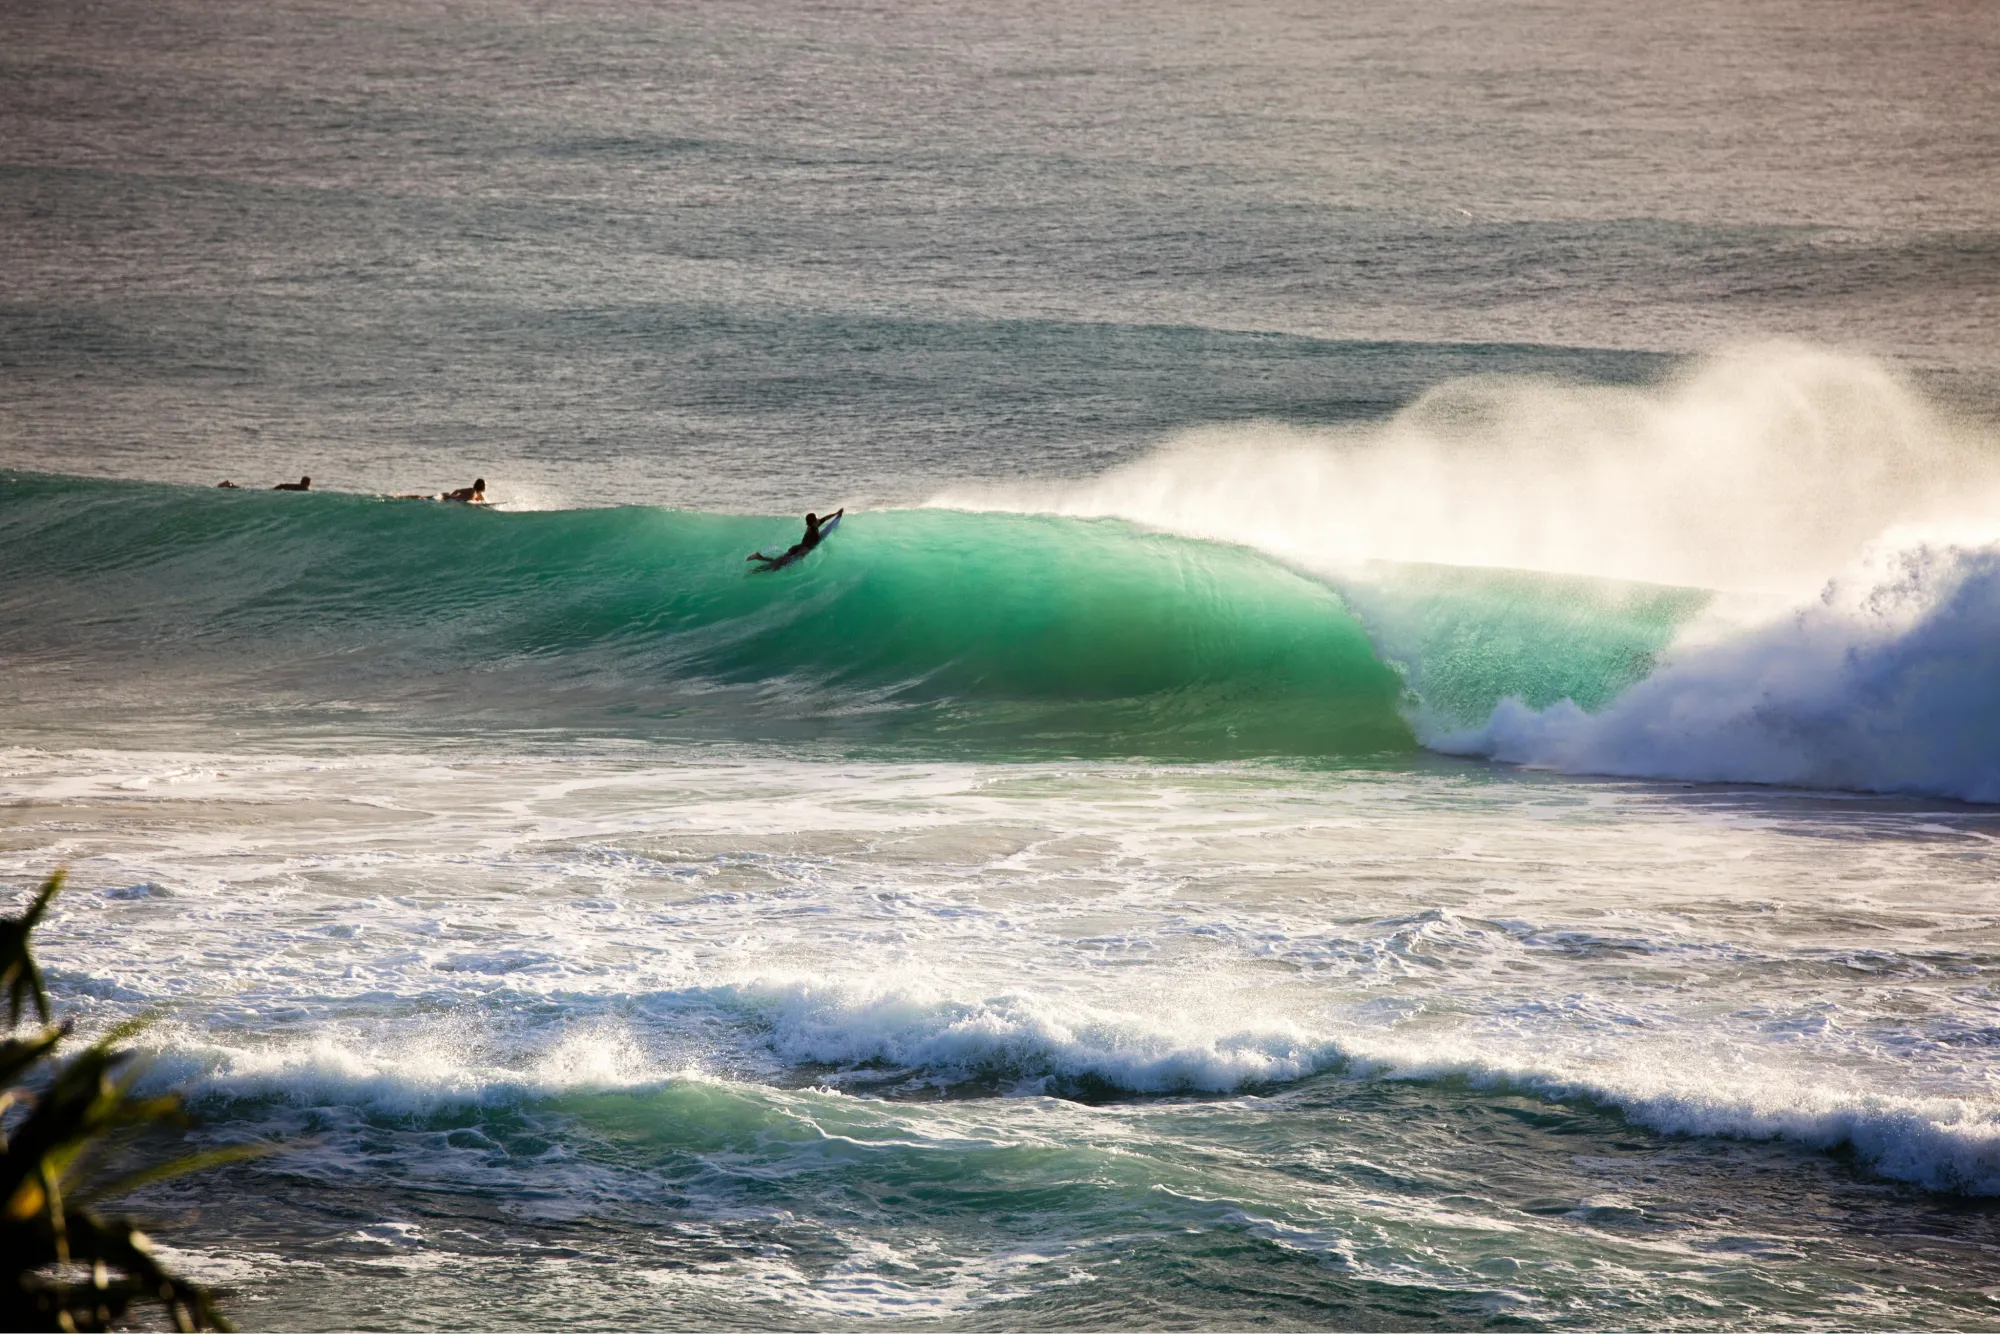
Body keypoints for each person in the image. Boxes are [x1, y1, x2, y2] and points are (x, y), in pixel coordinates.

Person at [748, 508, 844, 567]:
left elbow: (825, 518)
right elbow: (810, 545)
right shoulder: (814, 528)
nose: (818, 519)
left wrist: (836, 513)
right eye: (816, 518)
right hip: (803, 549)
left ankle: (760, 557)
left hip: (797, 547)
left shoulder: (810, 526)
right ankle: (760, 558)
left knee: (778, 561)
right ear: (814, 520)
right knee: (780, 565)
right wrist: (801, 556)